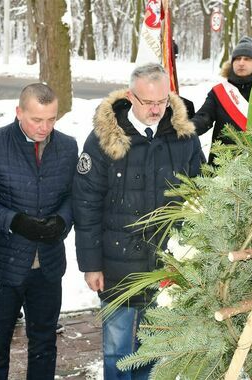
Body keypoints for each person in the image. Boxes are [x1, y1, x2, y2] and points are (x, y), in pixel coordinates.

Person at [73, 63, 204, 379]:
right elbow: (86, 204)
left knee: (155, 349)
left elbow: (200, 196)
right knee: (118, 351)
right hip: (118, 266)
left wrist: (193, 255)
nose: (157, 109)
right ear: (131, 97)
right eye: (148, 103)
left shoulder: (183, 138)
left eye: (162, 101)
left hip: (167, 268)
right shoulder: (104, 139)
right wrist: (91, 265)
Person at [0, 83, 78, 380]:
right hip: (4, 266)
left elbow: (73, 195)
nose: (45, 128)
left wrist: (62, 221)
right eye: (37, 119)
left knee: (44, 342)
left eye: (52, 119)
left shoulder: (68, 146)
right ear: (19, 112)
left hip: (48, 265)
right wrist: (14, 220)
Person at [192, 36, 252, 164]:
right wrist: (186, 128)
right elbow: (203, 117)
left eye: (247, 59)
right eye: (237, 59)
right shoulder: (219, 92)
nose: (241, 63)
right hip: (222, 166)